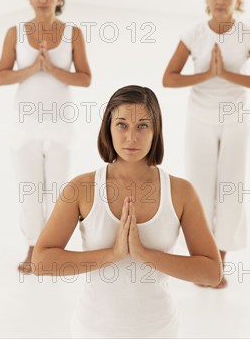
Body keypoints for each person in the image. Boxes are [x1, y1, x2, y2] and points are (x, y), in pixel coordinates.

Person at [32, 85, 222, 338]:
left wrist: (144, 255)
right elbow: (41, 262)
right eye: (122, 124)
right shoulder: (81, 188)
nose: (131, 137)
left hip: (159, 331)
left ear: (156, 131)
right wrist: (112, 254)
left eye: (142, 126)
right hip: (93, 330)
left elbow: (211, 273)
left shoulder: (180, 192)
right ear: (108, 129)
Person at [163, 0, 250, 288]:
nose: (221, 2)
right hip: (200, 118)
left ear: (238, 0)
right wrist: (207, 75)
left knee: (230, 190)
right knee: (200, 190)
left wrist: (224, 72)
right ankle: (204, 260)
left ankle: (219, 264)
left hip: (235, 120)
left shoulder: (249, 35)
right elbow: (169, 78)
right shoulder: (194, 35)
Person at [0, 0, 92, 272]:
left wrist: (50, 68)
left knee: (59, 188)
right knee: (29, 188)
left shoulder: (72, 33)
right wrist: (32, 68)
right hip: (25, 125)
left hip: (60, 124)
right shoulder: (15, 33)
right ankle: (34, 247)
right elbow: (0, 76)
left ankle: (53, 247)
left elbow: (85, 78)